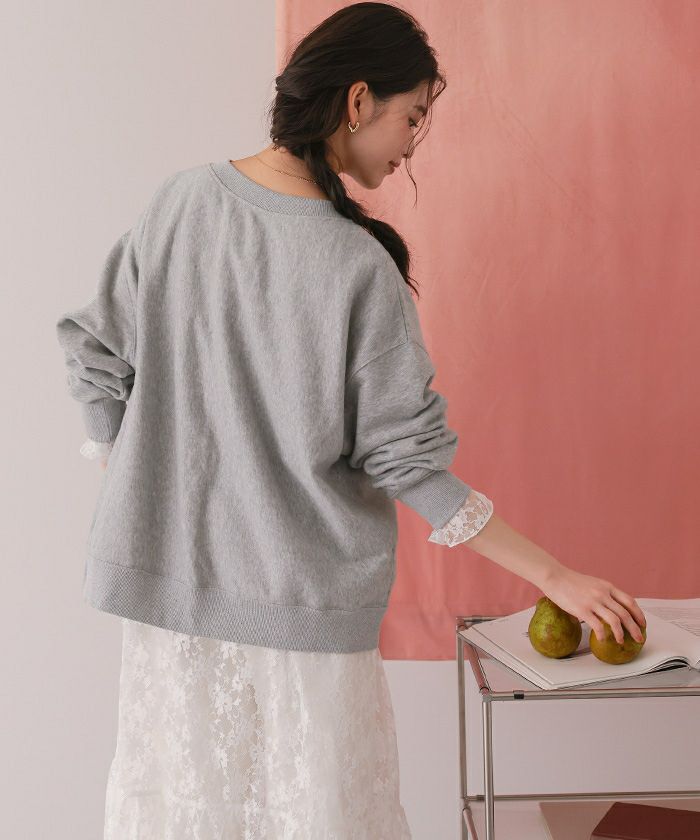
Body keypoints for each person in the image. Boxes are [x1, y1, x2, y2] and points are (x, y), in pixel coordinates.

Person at [56, 3, 646, 837]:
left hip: (173, 620)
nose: (415, 143)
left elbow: (93, 351)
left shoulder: (182, 203)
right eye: (414, 117)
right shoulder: (356, 264)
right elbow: (410, 465)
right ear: (360, 100)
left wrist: (138, 479)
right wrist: (555, 576)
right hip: (306, 624)